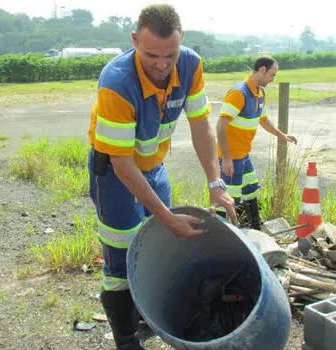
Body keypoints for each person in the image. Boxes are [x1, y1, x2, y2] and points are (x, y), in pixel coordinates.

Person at [87, 4, 236, 349]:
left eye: (170, 54)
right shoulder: (117, 82)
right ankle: (126, 338)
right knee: (122, 252)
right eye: (152, 54)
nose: (162, 63)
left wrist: (215, 183)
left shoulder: (190, 65)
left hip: (153, 166)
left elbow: (200, 124)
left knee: (157, 244)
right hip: (114, 173)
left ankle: (146, 318)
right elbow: (122, 163)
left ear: (181, 40)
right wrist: (166, 216)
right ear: (135, 39)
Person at [215, 56, 297, 230]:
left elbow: (264, 120)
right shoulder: (238, 93)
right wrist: (227, 158)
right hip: (231, 157)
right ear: (262, 70)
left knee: (251, 189)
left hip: (244, 155)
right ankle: (222, 234)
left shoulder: (260, 93)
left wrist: (282, 135)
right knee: (229, 199)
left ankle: (253, 228)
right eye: (272, 75)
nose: (273, 79)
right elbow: (220, 127)